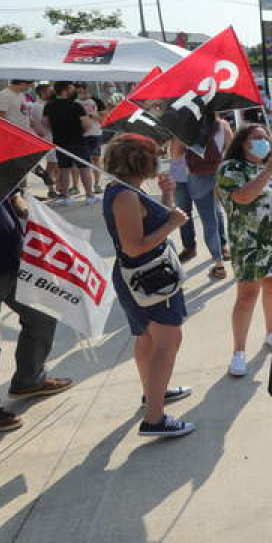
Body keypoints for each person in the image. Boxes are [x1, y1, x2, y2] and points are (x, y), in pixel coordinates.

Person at [101, 134, 194, 437]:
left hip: (142, 276)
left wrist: (167, 198)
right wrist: (172, 224)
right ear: (140, 160)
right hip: (149, 278)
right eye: (155, 154)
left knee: (147, 339)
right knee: (168, 343)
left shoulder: (128, 190)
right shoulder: (126, 195)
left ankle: (153, 392)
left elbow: (147, 225)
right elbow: (134, 246)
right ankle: (154, 419)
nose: (160, 158)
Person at [0, 195, 74, 432]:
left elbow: (8, 188)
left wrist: (18, 201)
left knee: (43, 315)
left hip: (14, 258)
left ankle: (29, 379)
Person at [217, 125, 272, 378]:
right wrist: (270, 170)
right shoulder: (230, 169)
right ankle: (238, 352)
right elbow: (242, 197)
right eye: (257, 138)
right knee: (246, 296)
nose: (263, 141)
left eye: (265, 137)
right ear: (242, 143)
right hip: (247, 244)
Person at [170, 115, 232, 280]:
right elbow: (231, 151)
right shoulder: (222, 125)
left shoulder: (184, 125)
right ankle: (221, 256)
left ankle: (190, 248)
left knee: (184, 214)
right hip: (211, 175)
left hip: (185, 176)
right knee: (212, 216)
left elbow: (175, 154)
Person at [44, 81, 96, 207]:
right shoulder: (76, 105)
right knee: (84, 168)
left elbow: (45, 123)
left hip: (59, 142)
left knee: (64, 170)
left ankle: (66, 197)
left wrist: (56, 130)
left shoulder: (49, 106)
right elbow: (87, 125)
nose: (74, 91)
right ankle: (89, 196)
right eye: (72, 89)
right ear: (65, 90)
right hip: (78, 141)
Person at [27, 83, 60, 200]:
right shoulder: (37, 106)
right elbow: (45, 122)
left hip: (51, 137)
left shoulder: (49, 104)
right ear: (42, 93)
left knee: (54, 164)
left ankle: (55, 188)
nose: (52, 93)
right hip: (45, 137)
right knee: (51, 164)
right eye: (49, 91)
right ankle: (51, 188)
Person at [75, 83, 106, 194]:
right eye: (76, 91)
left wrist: (91, 116)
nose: (78, 93)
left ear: (84, 89)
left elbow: (104, 119)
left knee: (95, 159)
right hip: (79, 135)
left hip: (95, 134)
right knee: (79, 161)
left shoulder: (96, 101)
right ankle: (75, 186)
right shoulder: (74, 102)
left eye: (79, 90)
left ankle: (97, 184)